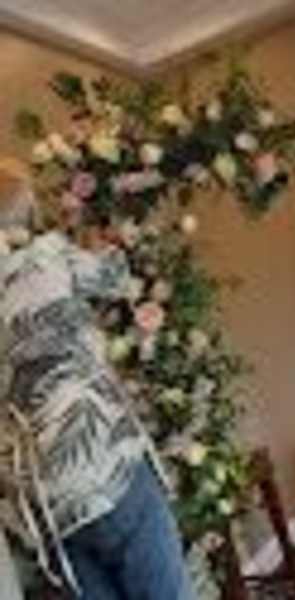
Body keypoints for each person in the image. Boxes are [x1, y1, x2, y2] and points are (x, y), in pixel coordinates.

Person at [0, 161, 196, 600]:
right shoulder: (46, 256)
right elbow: (117, 279)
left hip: (42, 503)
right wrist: (100, 241)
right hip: (104, 465)